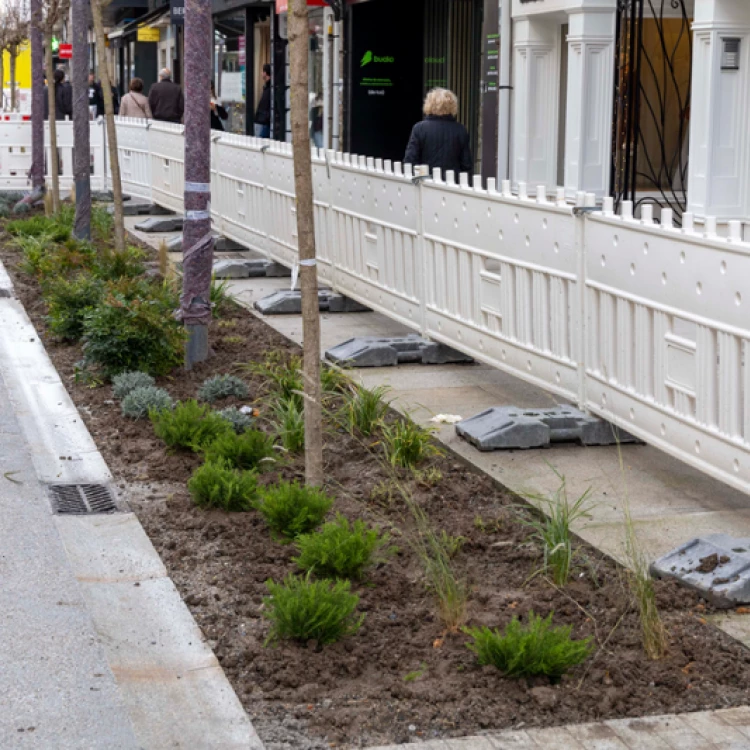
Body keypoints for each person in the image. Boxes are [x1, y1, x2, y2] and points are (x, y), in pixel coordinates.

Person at [404, 88, 472, 177]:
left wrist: (419, 177)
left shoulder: (419, 128)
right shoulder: (460, 130)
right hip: (452, 183)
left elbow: (410, 161)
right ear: (453, 106)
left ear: (429, 104)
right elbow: (466, 164)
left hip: (426, 182)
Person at [254, 63, 271, 138]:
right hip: (262, 121)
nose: (261, 74)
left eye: (262, 72)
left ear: (265, 73)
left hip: (263, 121)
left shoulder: (269, 88)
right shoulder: (267, 87)